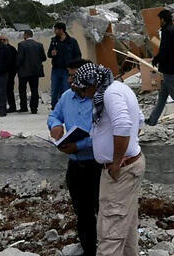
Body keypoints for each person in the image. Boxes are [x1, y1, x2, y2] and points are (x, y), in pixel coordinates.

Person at [74, 63, 145, 256]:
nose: (83, 94)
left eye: (82, 89)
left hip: (120, 171)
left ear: (92, 84)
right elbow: (139, 121)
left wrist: (116, 161)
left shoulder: (110, 94)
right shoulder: (120, 88)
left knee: (110, 233)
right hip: (129, 164)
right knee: (127, 227)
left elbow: (123, 125)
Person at [47, 59, 100, 255]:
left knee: (103, 212)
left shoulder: (99, 99)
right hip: (76, 166)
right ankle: (89, 250)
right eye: (69, 75)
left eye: (74, 76)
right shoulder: (67, 97)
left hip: (97, 165)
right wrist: (56, 126)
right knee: (83, 214)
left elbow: (103, 134)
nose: (70, 80)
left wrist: (79, 145)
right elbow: (54, 115)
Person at [48, 22, 81, 109]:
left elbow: (78, 55)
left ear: (61, 30)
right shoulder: (54, 41)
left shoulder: (72, 42)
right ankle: (54, 107)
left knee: (66, 89)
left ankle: (66, 107)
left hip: (67, 70)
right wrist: (52, 54)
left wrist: (73, 67)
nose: (54, 31)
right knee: (54, 89)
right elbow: (48, 54)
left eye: (56, 29)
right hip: (56, 69)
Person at [17, 30, 47, 114]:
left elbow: (20, 58)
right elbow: (44, 58)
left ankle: (24, 107)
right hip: (35, 71)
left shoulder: (21, 45)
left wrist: (17, 67)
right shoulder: (39, 45)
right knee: (34, 90)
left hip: (24, 71)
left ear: (26, 35)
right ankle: (34, 108)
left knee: (22, 89)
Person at [0, 36, 18, 113]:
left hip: (10, 73)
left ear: (7, 40)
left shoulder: (11, 49)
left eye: (4, 40)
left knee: (9, 90)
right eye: (1, 40)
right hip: (2, 73)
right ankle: (2, 106)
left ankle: (12, 106)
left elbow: (14, 61)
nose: (2, 41)